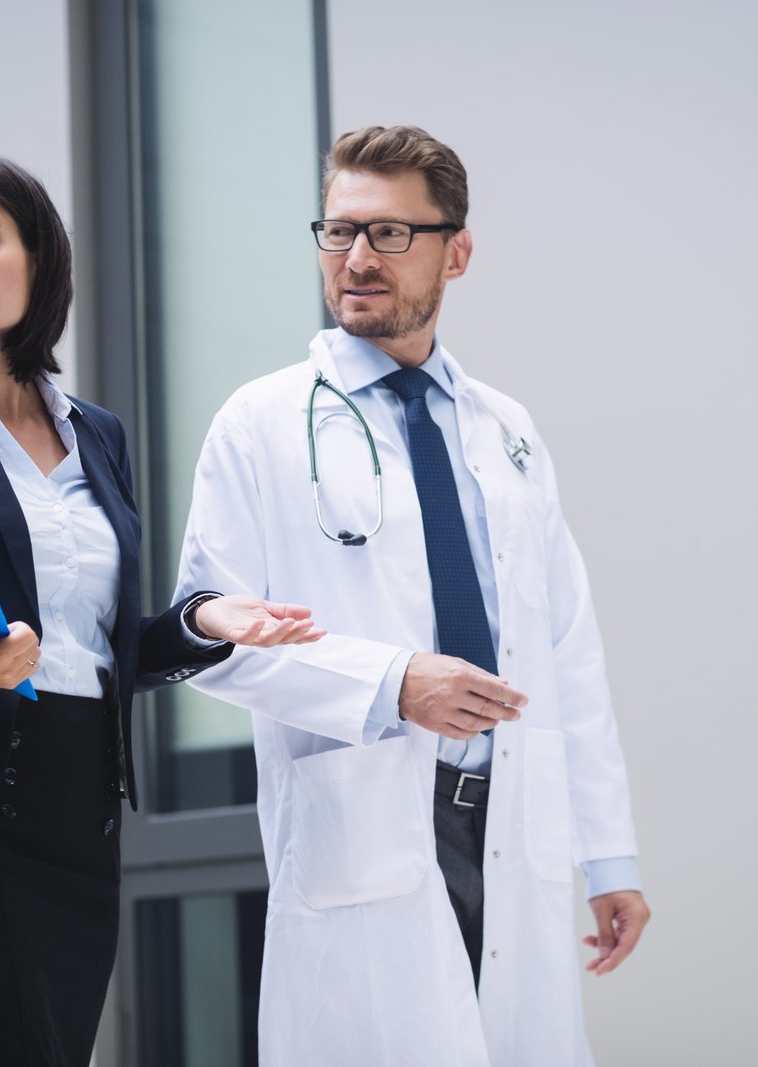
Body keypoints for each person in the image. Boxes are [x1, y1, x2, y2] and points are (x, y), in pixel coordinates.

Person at [0, 154, 322, 1066]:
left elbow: (88, 648)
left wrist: (200, 624)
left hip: (78, 816)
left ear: (40, 262)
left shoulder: (96, 433)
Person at [175, 125, 650, 1065]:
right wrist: (392, 682)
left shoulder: (506, 430)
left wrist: (608, 855)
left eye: (390, 234)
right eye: (338, 231)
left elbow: (567, 649)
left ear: (455, 252)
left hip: (510, 811)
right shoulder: (260, 423)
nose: (356, 259)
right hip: (370, 812)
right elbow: (213, 638)